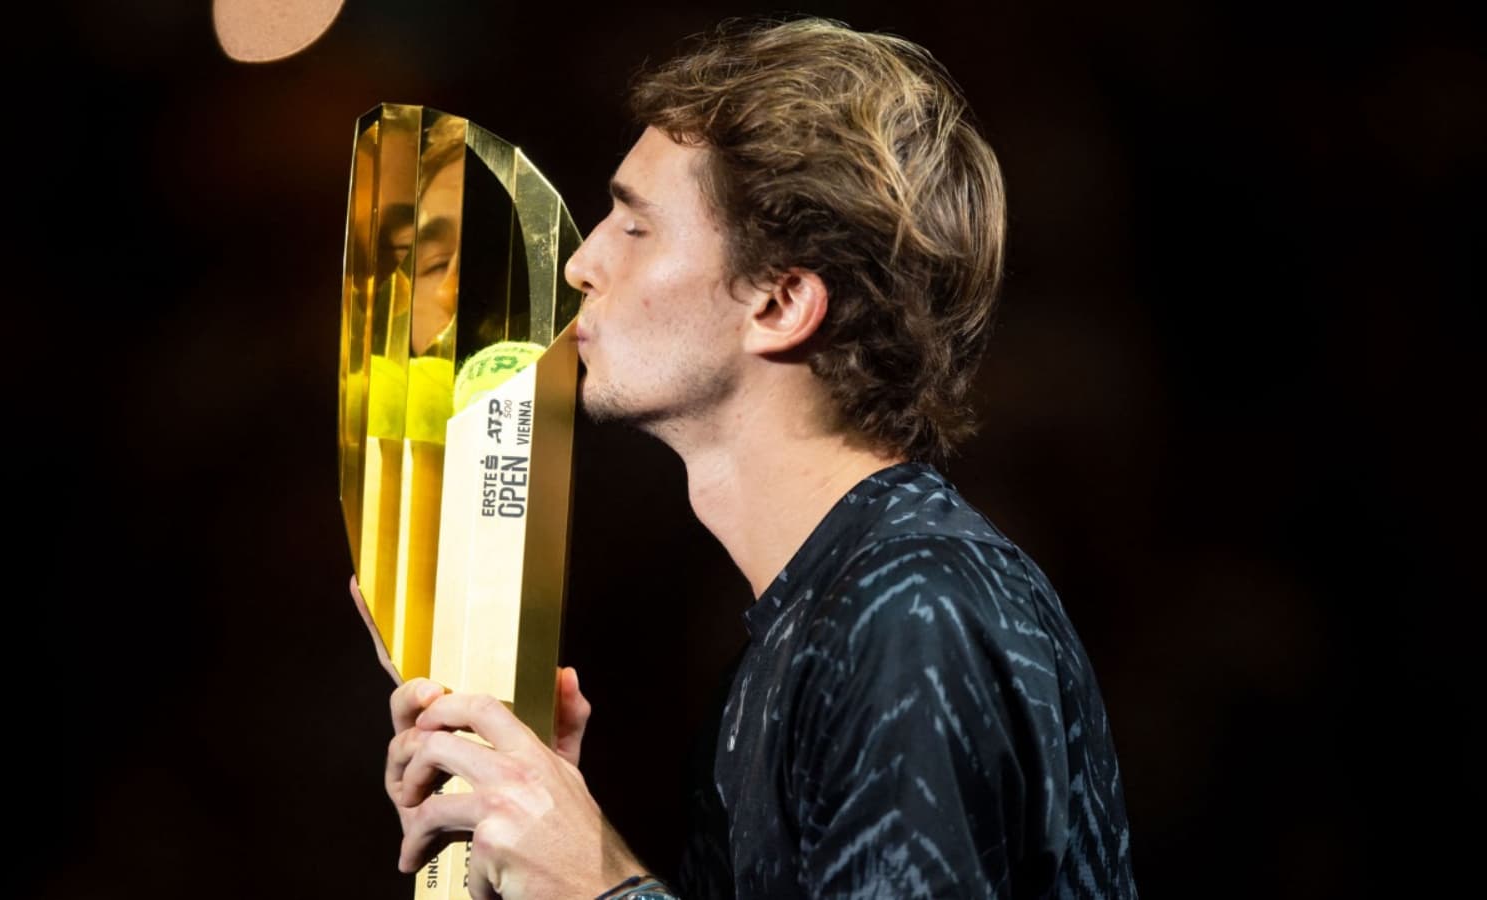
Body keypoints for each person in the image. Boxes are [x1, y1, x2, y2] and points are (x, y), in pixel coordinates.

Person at [362, 17, 1137, 899]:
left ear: (780, 302)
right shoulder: (815, 623)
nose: (581, 262)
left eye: (635, 227)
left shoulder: (911, 613)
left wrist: (600, 886)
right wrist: (549, 834)